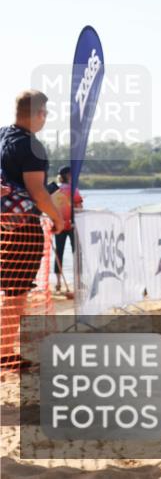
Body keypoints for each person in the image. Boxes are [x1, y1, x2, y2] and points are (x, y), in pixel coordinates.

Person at [1, 91, 65, 372]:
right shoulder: (32, 147)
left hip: (3, 224)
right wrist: (58, 218)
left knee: (9, 290)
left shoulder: (2, 136)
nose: (46, 119)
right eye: (46, 113)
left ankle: (5, 349)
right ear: (39, 114)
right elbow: (38, 193)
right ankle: (4, 353)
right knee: (16, 292)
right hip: (23, 227)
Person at [47, 166, 82, 294]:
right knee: (76, 253)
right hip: (72, 226)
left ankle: (58, 283)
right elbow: (79, 207)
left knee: (59, 253)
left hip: (58, 225)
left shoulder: (52, 189)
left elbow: (47, 205)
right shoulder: (73, 189)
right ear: (68, 176)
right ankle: (78, 282)